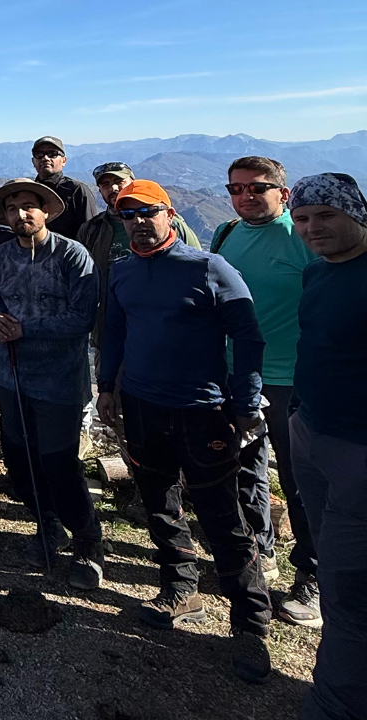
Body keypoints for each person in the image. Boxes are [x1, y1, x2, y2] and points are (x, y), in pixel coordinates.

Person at [96, 179, 272, 685]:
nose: (138, 222)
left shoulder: (208, 267)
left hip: (203, 410)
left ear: (169, 214)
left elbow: (248, 336)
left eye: (147, 213)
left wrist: (244, 401)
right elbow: (115, 330)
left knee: (223, 518)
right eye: (127, 215)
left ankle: (250, 625)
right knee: (159, 505)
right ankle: (180, 588)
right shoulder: (124, 271)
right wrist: (107, 386)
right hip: (143, 406)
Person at [210, 157, 321, 621]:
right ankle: (260, 553)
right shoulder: (226, 233)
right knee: (244, 468)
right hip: (232, 373)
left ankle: (313, 577)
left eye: (257, 188)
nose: (245, 196)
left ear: (283, 192)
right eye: (236, 189)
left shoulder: (304, 238)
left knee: (301, 480)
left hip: (291, 377)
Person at [0, 178, 104, 589]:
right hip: (12, 376)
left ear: (46, 211)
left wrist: (23, 329)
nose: (21, 214)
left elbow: (81, 319)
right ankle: (45, 524)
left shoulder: (73, 255)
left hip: (59, 381)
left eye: (29, 206)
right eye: (13, 208)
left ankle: (88, 539)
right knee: (22, 460)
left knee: (59, 463)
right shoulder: (0, 256)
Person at [287, 172, 367, 720]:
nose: (313, 228)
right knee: (328, 554)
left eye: (325, 216)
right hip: (309, 431)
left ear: (355, 214)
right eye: (304, 219)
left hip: (358, 447)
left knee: (347, 583)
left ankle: (334, 703)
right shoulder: (318, 274)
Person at [79, 162, 202, 354]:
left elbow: (198, 269)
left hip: (168, 335)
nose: (113, 188)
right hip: (111, 336)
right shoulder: (92, 230)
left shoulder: (171, 225)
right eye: (105, 184)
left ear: (133, 182)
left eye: (119, 181)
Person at [30, 136, 98, 240]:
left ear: (64, 161)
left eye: (52, 154)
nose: (45, 158)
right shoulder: (29, 191)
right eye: (39, 154)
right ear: (33, 162)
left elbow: (90, 233)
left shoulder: (77, 190)